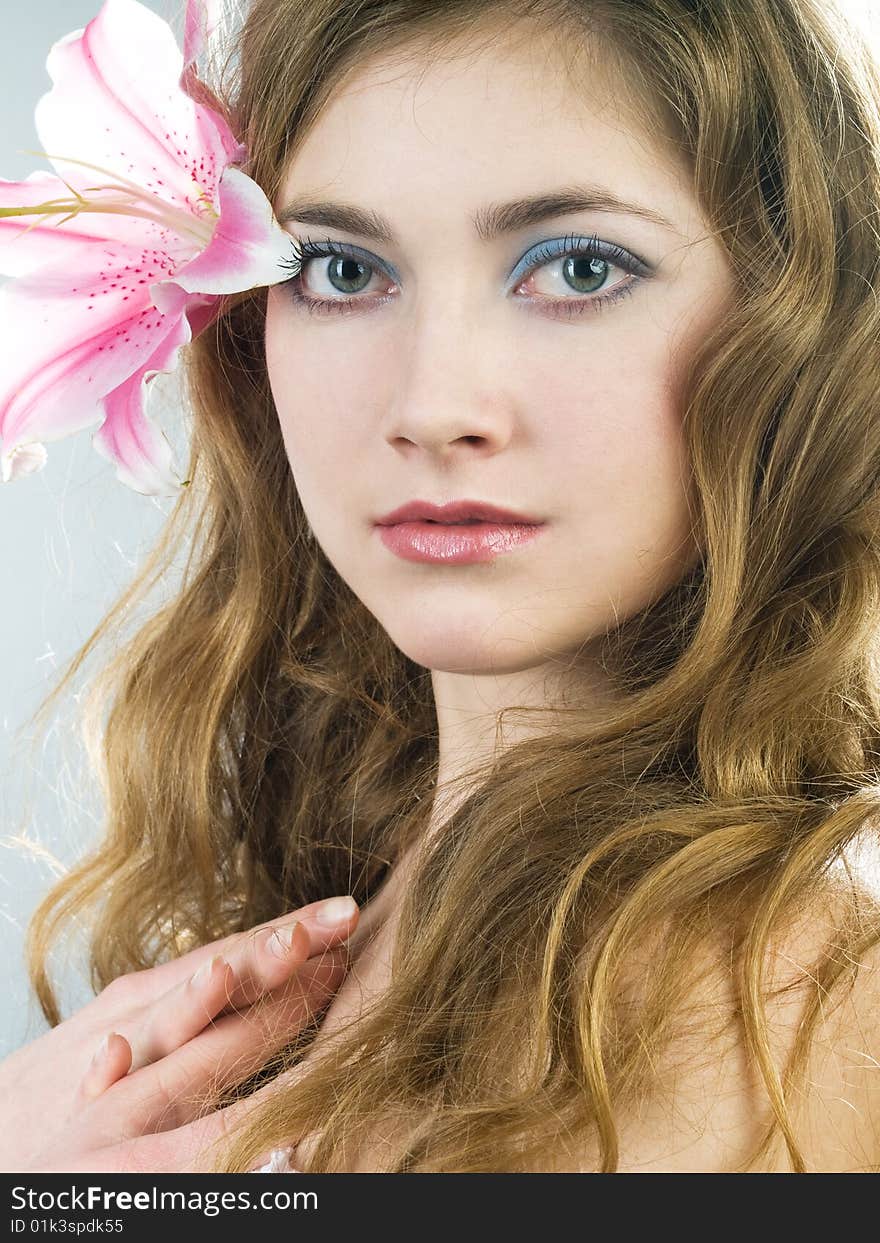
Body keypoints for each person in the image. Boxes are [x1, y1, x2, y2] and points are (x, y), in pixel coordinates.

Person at [3, 0, 880, 1174]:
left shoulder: (791, 997)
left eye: (578, 267)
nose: (431, 405)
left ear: (798, 327)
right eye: (341, 268)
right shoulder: (351, 906)